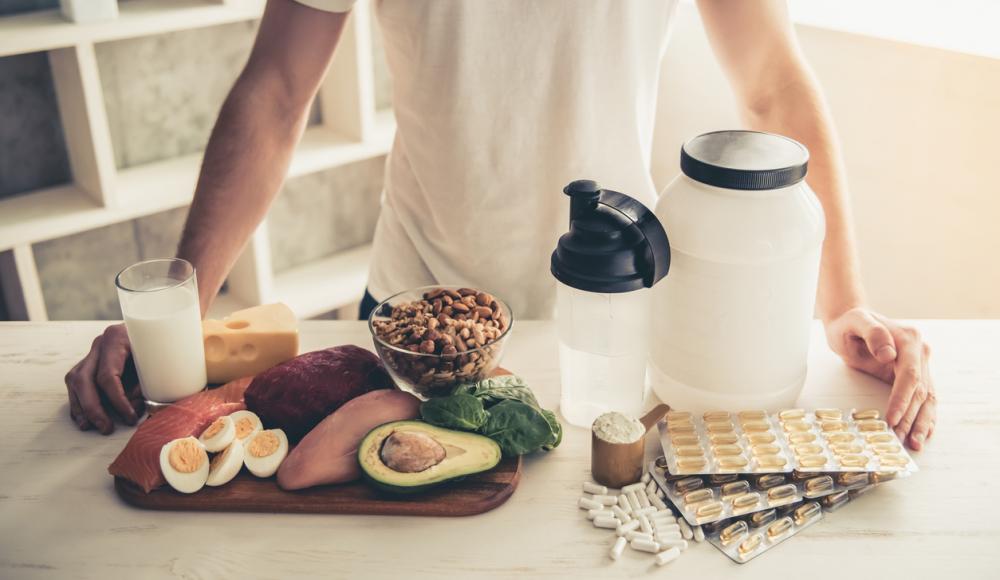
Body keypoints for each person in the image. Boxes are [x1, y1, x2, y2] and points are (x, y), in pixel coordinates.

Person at [64, 0, 935, 449]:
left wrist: (845, 304)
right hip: (412, 317)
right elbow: (276, 93)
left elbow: (774, 87)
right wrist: (176, 308)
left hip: (620, 318)